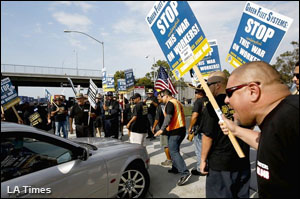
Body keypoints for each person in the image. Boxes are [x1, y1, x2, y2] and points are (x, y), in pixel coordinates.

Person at [219, 61, 299, 198]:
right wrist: (235, 130)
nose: (226, 100)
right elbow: (271, 145)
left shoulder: (293, 116)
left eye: (229, 93)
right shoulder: (279, 118)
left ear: (253, 91)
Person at [200, 71, 250, 198]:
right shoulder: (241, 101)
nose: (206, 88)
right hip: (242, 162)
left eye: (208, 84)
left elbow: (208, 135)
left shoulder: (212, 106)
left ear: (218, 85)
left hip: (221, 164)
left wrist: (202, 160)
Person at [154, 89, 191, 186]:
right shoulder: (176, 101)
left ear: (166, 96)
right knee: (175, 150)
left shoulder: (170, 103)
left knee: (173, 151)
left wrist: (162, 129)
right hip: (180, 130)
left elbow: (168, 117)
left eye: (161, 97)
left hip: (176, 130)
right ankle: (175, 168)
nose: (160, 98)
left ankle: (185, 172)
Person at [188, 84, 208, 176]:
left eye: (196, 92)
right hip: (209, 129)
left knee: (199, 150)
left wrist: (190, 126)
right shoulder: (210, 101)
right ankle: (207, 166)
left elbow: (195, 116)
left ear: (200, 92)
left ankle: (200, 169)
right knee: (208, 150)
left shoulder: (198, 102)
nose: (195, 94)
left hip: (199, 129)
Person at [152, 91, 172, 166]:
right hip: (172, 127)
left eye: (159, 96)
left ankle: (169, 159)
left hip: (164, 128)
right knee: (172, 145)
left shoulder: (160, 106)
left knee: (165, 145)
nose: (157, 98)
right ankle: (173, 158)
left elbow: (157, 118)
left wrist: (153, 127)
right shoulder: (171, 104)